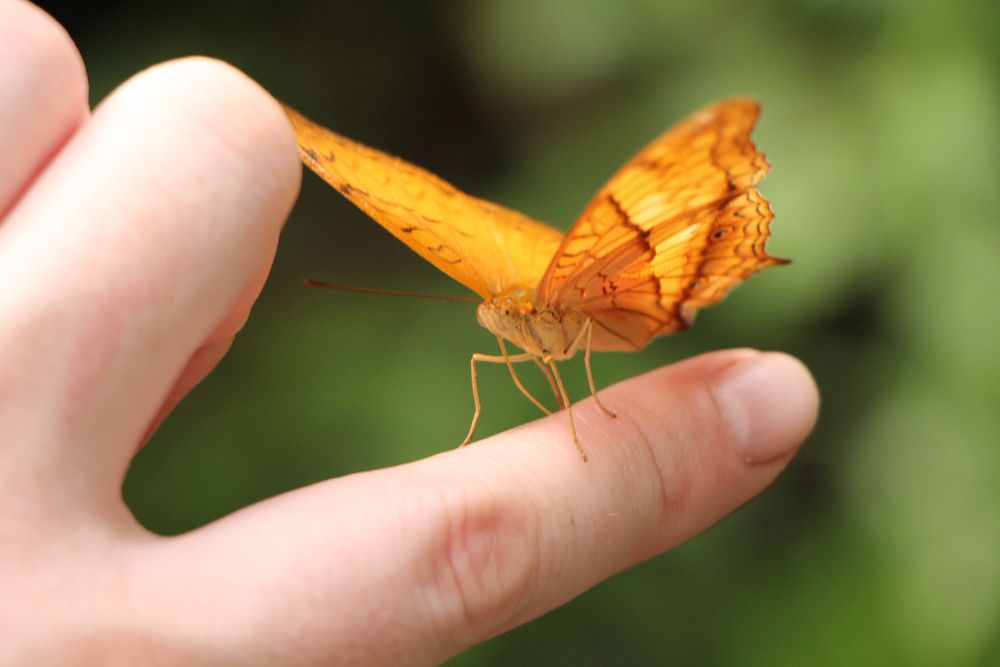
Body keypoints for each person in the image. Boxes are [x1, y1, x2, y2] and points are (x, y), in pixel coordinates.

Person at [0, 2, 819, 663]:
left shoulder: (559, 299)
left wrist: (581, 406)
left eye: (503, 314)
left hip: (638, 272)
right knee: (493, 349)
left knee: (578, 329)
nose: (494, 322)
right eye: (497, 313)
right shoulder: (510, 316)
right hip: (587, 287)